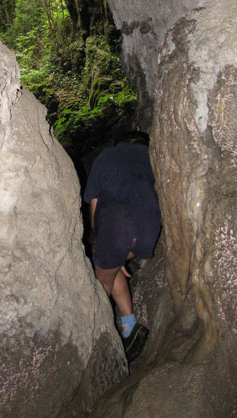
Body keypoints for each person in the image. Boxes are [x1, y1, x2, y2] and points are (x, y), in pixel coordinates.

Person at [83, 131, 161, 363]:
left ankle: (99, 342)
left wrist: (104, 240)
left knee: (102, 280)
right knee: (112, 267)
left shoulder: (106, 157)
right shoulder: (151, 155)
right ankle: (129, 326)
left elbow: (95, 208)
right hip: (150, 225)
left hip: (117, 222)